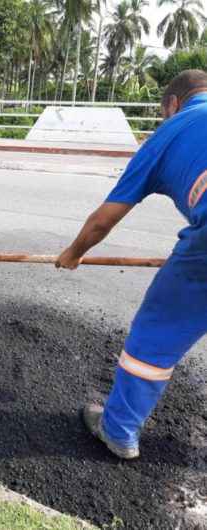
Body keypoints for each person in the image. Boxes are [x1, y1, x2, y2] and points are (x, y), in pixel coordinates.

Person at [56, 69, 207, 459]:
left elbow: (103, 219)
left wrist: (73, 253)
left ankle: (118, 430)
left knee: (156, 335)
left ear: (173, 104)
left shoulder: (170, 131)